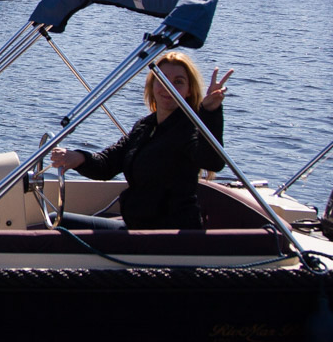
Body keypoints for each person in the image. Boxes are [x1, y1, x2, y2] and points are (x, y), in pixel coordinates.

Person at [49, 52, 233, 229]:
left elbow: (213, 161)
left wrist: (210, 112)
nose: (168, 87)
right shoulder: (144, 127)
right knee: (56, 221)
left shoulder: (190, 129)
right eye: (162, 80)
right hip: (135, 228)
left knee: (55, 226)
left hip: (169, 236)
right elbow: (107, 164)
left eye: (178, 82)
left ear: (189, 91)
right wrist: (79, 158)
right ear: (152, 85)